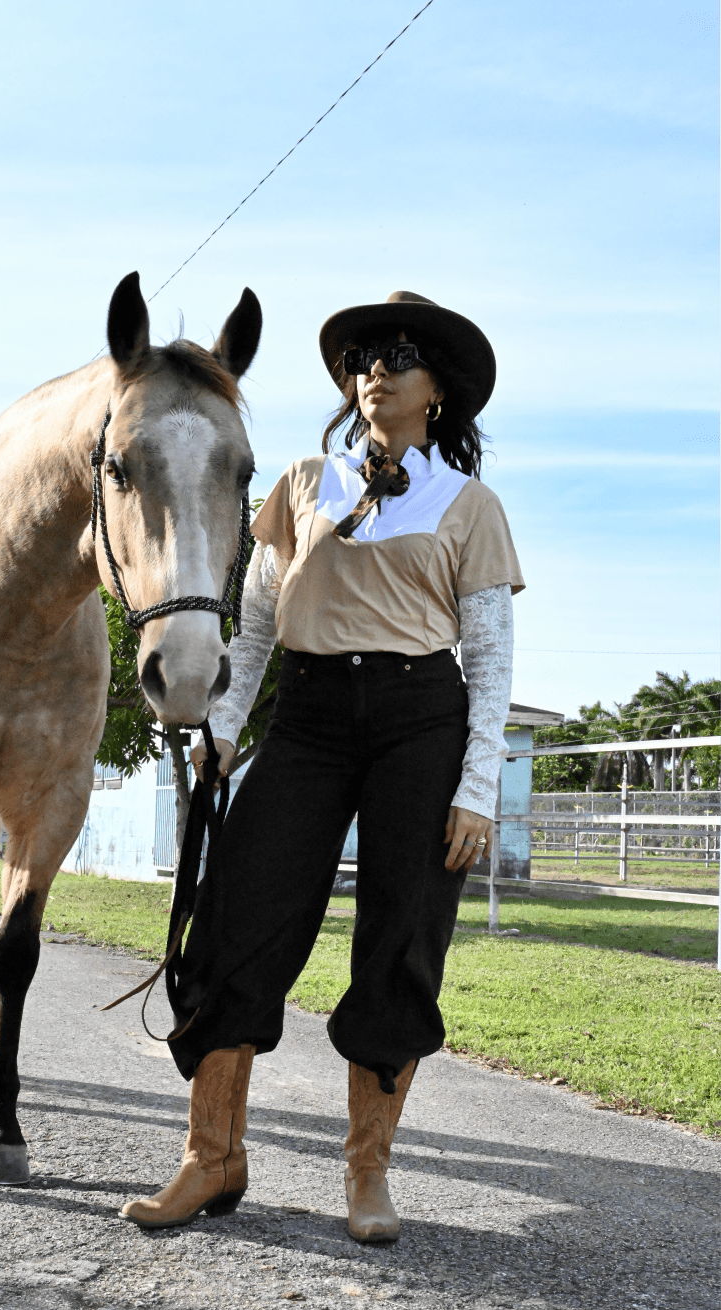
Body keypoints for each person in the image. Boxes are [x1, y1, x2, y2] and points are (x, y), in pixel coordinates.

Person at [122, 290, 524, 1241]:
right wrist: (223, 726)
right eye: (365, 355)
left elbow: (492, 659)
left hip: (420, 721)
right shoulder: (305, 481)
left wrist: (475, 789)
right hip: (306, 717)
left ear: (438, 393)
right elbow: (257, 624)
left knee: (401, 939)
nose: (376, 366)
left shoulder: (468, 505)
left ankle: (366, 1175)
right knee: (238, 916)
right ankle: (210, 1158)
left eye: (400, 354)